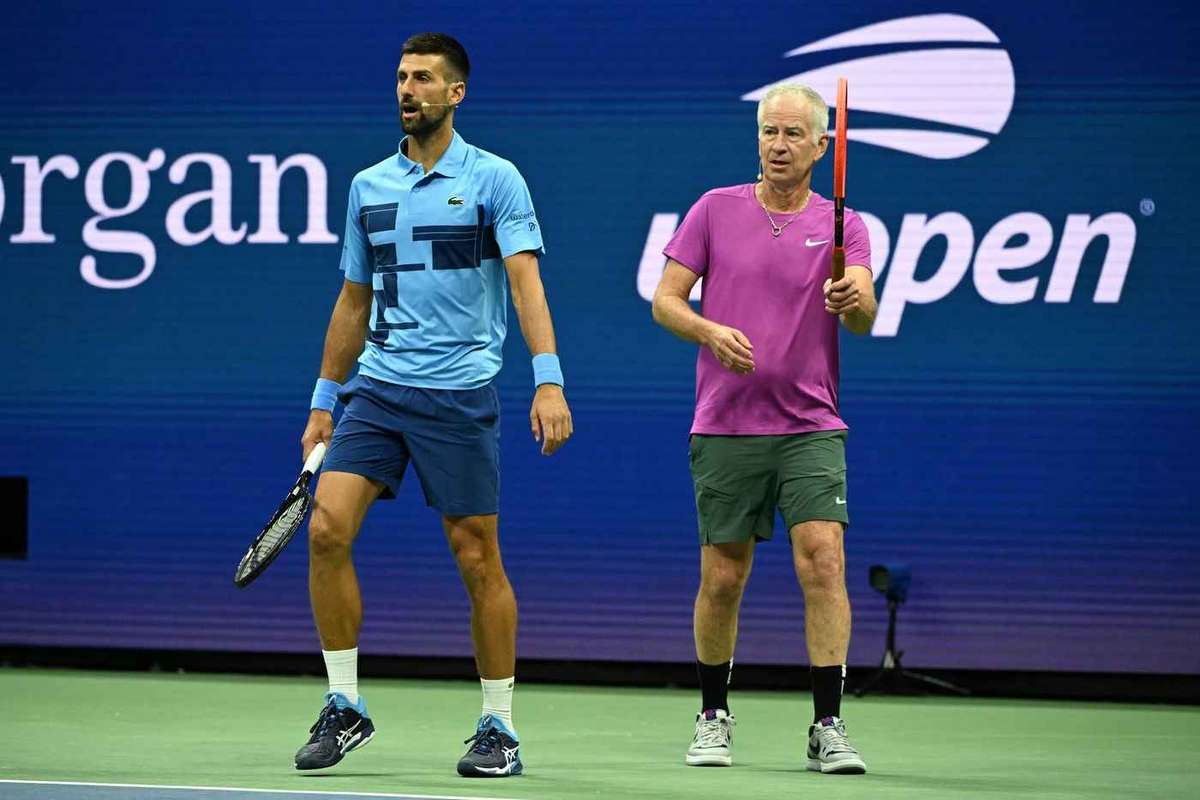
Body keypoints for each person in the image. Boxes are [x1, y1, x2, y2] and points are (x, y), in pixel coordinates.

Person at [292, 32, 572, 778]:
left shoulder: (495, 179)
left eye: (422, 79)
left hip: (459, 392)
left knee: (477, 556)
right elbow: (354, 299)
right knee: (325, 529)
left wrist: (549, 379)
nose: (406, 90)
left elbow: (525, 285)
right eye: (400, 78)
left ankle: (499, 726)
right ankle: (345, 706)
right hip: (378, 390)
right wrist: (326, 397)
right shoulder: (367, 186)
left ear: (456, 93)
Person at [651, 83, 876, 774]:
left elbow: (863, 316)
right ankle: (713, 715)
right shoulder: (715, 210)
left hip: (811, 423)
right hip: (725, 425)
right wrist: (709, 330)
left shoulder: (845, 225)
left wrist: (854, 297)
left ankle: (828, 726)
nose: (778, 146)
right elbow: (665, 301)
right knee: (723, 577)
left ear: (820, 146)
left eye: (791, 135)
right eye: (768, 133)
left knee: (824, 560)